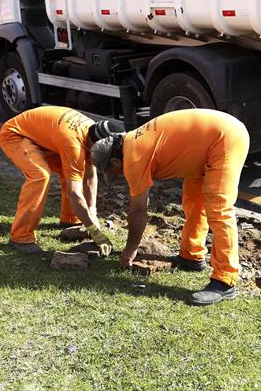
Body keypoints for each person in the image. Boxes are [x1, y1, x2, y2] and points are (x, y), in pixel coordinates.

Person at [91, 109, 250, 306]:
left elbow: (139, 212)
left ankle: (225, 280)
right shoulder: (130, 140)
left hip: (224, 139)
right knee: (193, 200)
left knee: (219, 207)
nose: (118, 175)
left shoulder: (133, 157)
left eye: (114, 172)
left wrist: (130, 250)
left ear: (115, 160)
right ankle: (191, 256)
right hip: (211, 140)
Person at [0, 106, 121, 254]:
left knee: (72, 170)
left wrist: (92, 212)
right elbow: (74, 193)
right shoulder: (74, 143)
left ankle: (70, 219)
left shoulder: (94, 133)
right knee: (40, 175)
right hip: (15, 134)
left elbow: (90, 176)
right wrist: (93, 229)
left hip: (42, 138)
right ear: (96, 146)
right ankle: (21, 237)